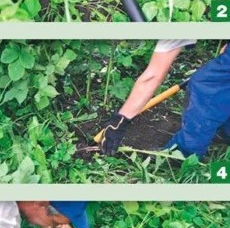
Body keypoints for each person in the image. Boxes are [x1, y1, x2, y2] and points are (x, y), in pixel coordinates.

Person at [98, 39, 230, 158]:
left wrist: (121, 120)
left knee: (207, 85)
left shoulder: (178, 21)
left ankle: (183, 154)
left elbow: (152, 77)